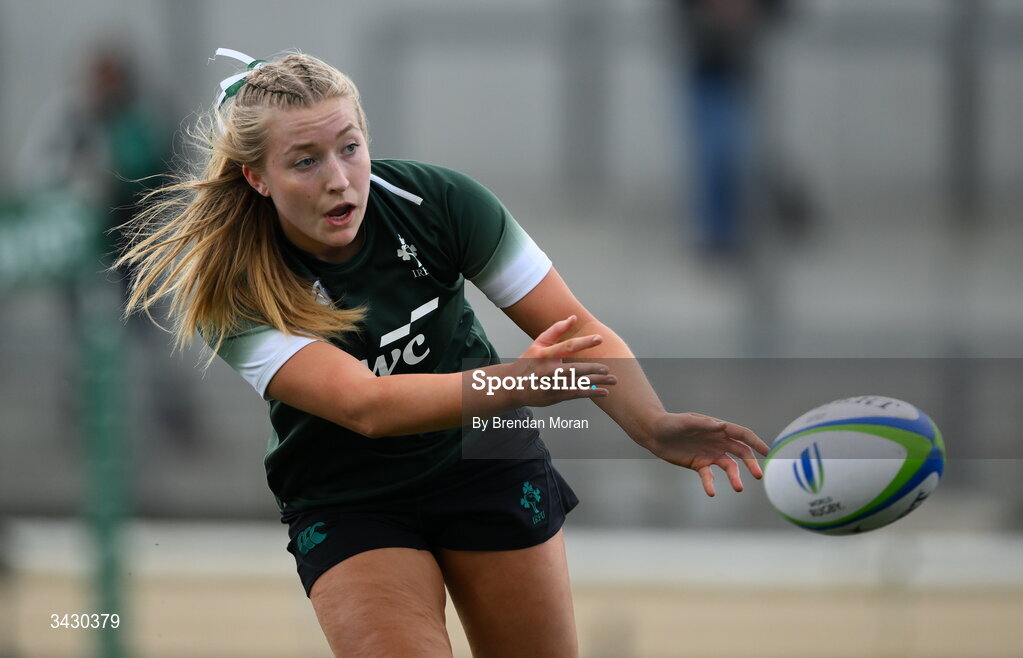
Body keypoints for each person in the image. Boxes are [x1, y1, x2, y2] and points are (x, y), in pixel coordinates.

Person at [116, 49, 769, 657]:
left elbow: (576, 330)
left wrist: (651, 425)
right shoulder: (235, 283)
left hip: (482, 458)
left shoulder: (437, 202)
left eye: (350, 148)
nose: (339, 180)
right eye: (306, 160)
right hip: (348, 492)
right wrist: (513, 382)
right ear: (257, 177)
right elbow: (365, 406)